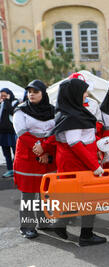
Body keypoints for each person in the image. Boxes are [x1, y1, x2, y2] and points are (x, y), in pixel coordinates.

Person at [51, 78, 106, 246]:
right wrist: (94, 166)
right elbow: (75, 143)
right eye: (83, 91)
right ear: (74, 94)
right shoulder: (72, 116)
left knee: (74, 197)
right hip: (78, 163)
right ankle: (86, 235)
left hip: (74, 162)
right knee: (90, 198)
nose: (86, 94)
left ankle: (60, 224)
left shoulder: (70, 111)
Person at [13, 80, 56, 238]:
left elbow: (54, 132)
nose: (31, 94)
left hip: (47, 155)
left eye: (36, 91)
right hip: (28, 157)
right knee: (28, 194)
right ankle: (26, 226)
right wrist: (40, 151)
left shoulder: (53, 110)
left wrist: (45, 149)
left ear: (43, 93)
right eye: (29, 91)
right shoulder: (20, 110)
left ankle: (44, 222)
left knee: (44, 192)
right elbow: (22, 133)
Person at [0, 88, 19, 177]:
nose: (3, 97)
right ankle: (10, 169)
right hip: (2, 132)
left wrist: (7, 101)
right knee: (6, 152)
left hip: (12, 132)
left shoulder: (15, 102)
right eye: (1, 95)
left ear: (9, 94)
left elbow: (12, 112)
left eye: (5, 95)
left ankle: (17, 169)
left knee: (16, 151)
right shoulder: (2, 103)